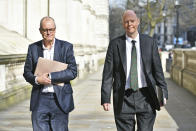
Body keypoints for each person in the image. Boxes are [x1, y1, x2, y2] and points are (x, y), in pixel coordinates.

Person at [101, 10, 168, 131]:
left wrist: (163, 93)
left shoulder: (150, 42)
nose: (129, 24)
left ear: (138, 21)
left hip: (146, 96)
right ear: (123, 24)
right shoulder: (115, 44)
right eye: (126, 22)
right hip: (123, 97)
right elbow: (107, 74)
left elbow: (158, 71)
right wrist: (105, 98)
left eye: (132, 21)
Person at [23, 16, 77, 131]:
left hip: (60, 100)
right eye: (45, 30)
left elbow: (73, 71)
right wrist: (37, 80)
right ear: (40, 31)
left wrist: (51, 77)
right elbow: (27, 72)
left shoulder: (66, 47)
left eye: (51, 29)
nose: (48, 32)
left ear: (55, 30)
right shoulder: (33, 48)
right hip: (39, 100)